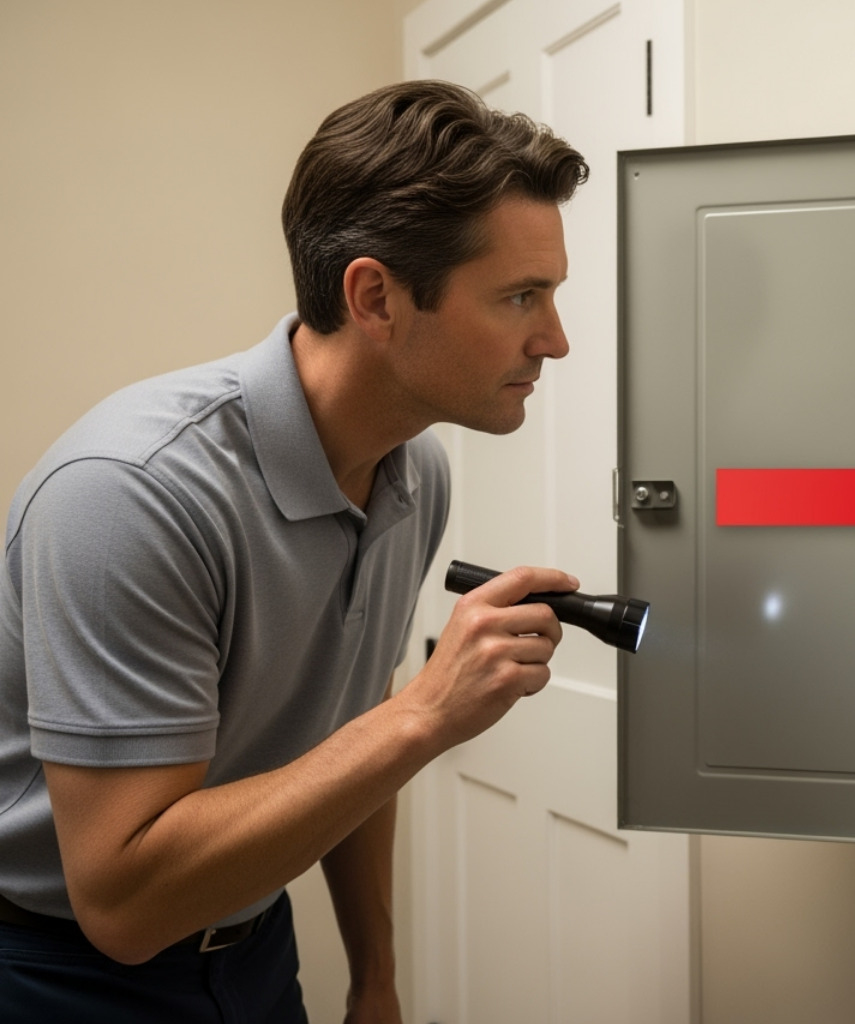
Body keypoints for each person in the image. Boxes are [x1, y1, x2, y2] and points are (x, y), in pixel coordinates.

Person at [0, 80, 587, 1022]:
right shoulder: (130, 495)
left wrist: (375, 975)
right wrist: (425, 714)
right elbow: (124, 907)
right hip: (56, 971)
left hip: (256, 952)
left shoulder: (413, 473)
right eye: (521, 297)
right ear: (375, 297)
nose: (554, 341)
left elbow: (347, 736)